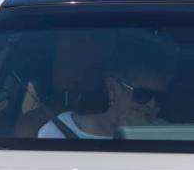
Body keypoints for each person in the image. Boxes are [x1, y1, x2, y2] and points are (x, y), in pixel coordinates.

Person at [38, 59, 169, 139]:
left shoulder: (169, 132)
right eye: (142, 94)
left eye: (159, 98)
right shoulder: (61, 129)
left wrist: (143, 135)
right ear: (113, 89)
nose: (152, 104)